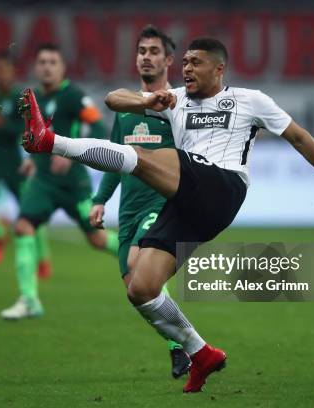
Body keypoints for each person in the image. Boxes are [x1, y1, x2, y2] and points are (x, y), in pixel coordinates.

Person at [20, 37, 314, 392]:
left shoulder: (250, 100)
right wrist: (148, 99)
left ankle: (49, 140)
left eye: (195, 62)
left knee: (139, 156)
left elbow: (301, 138)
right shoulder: (174, 100)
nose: (186, 68)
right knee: (141, 289)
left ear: (218, 68)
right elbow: (112, 101)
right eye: (184, 62)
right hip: (190, 203)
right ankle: (201, 353)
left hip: (224, 186)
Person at [89, 25, 190, 379]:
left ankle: (185, 348)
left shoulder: (177, 109)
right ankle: (181, 347)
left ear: (168, 60)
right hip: (128, 211)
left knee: (137, 260)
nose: (146, 56)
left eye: (153, 51)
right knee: (136, 292)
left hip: (161, 205)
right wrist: (100, 200)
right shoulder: (126, 109)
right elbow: (114, 159)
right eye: (141, 51)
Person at [0, 44, 118, 320]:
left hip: (73, 183)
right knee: (23, 226)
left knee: (98, 239)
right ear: (35, 67)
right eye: (42, 62)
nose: (47, 66)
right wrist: (32, 158)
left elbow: (98, 126)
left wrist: (72, 155)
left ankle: (136, 257)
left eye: (53, 61)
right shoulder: (32, 98)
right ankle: (29, 300)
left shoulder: (74, 96)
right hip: (42, 181)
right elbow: (33, 135)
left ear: (62, 68)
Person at [0, 51, 51, 268]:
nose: (0, 74)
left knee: (30, 210)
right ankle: (0, 234)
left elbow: (24, 127)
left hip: (13, 161)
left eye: (4, 69)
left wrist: (5, 126)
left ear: (12, 72)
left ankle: (43, 259)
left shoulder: (21, 97)